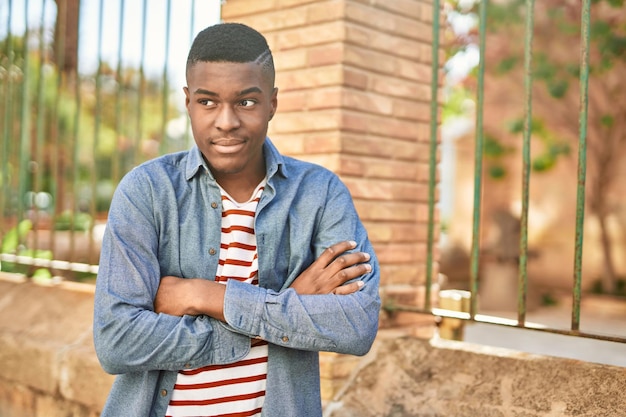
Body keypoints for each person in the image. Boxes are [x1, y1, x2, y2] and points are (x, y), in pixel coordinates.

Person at [93, 22, 380, 417]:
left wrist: (203, 296)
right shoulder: (147, 192)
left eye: (246, 102)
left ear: (272, 103)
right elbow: (116, 341)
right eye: (208, 102)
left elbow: (356, 323)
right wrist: (285, 306)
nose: (226, 121)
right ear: (188, 101)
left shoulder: (319, 194)